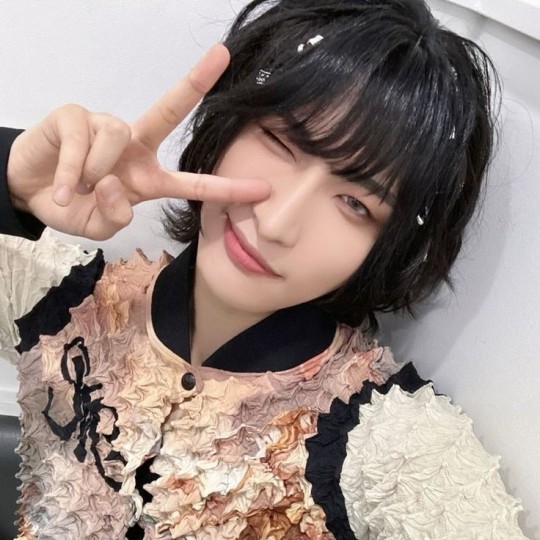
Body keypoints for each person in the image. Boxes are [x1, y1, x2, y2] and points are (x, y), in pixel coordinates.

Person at [0, 0, 528, 538]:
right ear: (228, 121)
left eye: (355, 204)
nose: (277, 224)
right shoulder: (68, 302)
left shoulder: (392, 446)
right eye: (280, 140)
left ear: (389, 246)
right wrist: (12, 180)